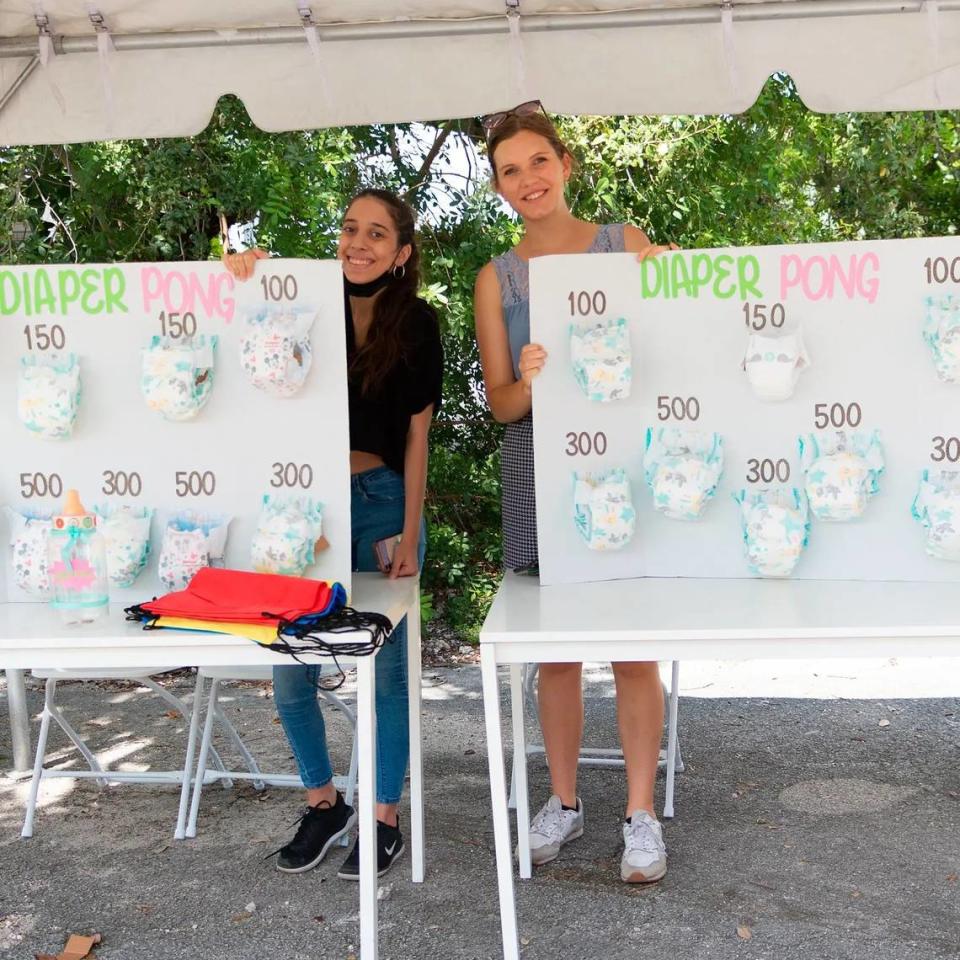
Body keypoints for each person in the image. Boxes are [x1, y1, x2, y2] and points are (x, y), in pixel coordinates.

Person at [473, 102, 676, 884]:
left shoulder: (623, 243)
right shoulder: (498, 277)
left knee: (632, 648)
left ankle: (640, 814)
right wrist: (527, 378)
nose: (528, 180)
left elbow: (674, 342)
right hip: (539, 470)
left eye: (538, 162)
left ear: (566, 164)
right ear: (499, 187)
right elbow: (500, 406)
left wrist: (678, 278)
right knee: (555, 657)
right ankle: (562, 802)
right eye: (510, 171)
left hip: (628, 463)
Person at [224, 188, 443, 880]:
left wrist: (409, 528)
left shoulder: (417, 323)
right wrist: (245, 276)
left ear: (402, 253)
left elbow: (417, 435)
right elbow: (240, 350)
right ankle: (323, 805)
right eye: (351, 228)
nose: (360, 242)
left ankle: (383, 819)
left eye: (378, 233)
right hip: (302, 513)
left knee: (385, 676)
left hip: (380, 505)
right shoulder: (298, 309)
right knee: (290, 669)